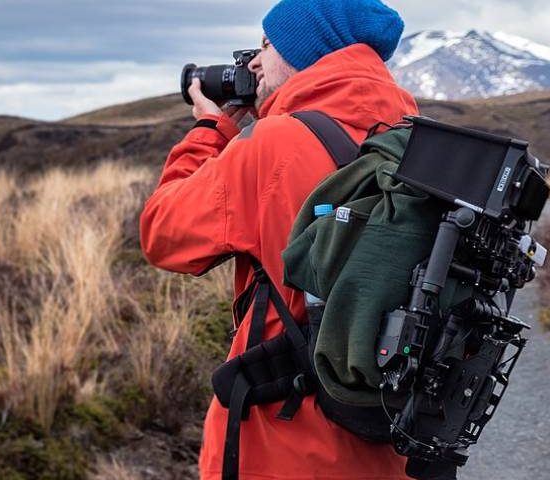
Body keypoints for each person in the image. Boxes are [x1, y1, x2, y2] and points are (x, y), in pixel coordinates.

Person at [139, 0, 419, 478]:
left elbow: (163, 233)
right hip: (391, 437)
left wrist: (211, 129)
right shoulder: (414, 139)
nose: (252, 62)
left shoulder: (275, 144)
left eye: (267, 45)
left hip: (284, 441)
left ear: (305, 51)